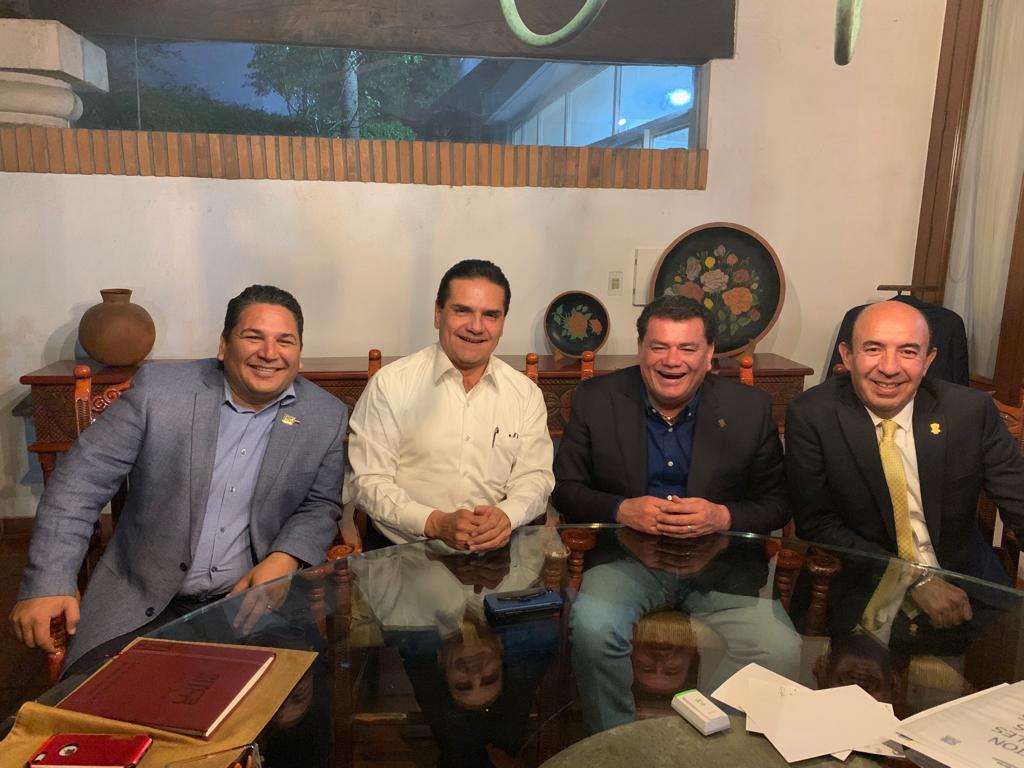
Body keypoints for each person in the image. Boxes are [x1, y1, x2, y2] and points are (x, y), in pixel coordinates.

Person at [10, 285, 348, 673]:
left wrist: (285, 557)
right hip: (141, 599)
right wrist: (48, 581)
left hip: (252, 602)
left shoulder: (325, 415)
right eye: (253, 336)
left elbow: (320, 504)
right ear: (223, 346)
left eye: (284, 341)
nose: (270, 353)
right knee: (101, 700)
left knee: (297, 696)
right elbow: (79, 482)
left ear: (299, 354)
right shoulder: (161, 391)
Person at [786, 300, 1024, 627]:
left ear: (928, 360)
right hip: (864, 585)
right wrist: (912, 579)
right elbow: (816, 523)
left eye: (908, 352)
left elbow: (1018, 497)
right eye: (873, 349)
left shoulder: (969, 411)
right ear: (847, 356)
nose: (889, 367)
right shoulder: (812, 415)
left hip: (966, 584)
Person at [347, 259, 554, 550]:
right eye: (462, 311)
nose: (476, 327)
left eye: (490, 315)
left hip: (496, 553)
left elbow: (535, 477)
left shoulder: (525, 393)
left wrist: (506, 516)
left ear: (502, 323)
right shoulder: (391, 384)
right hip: (402, 553)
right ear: (438, 314)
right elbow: (368, 481)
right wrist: (434, 523)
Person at [552, 294, 790, 535]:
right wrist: (621, 510)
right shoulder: (595, 400)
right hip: (622, 545)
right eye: (659, 347)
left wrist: (722, 517)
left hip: (718, 547)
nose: (672, 361)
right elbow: (563, 490)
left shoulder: (750, 408)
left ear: (709, 354)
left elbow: (778, 503)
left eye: (687, 349)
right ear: (640, 349)